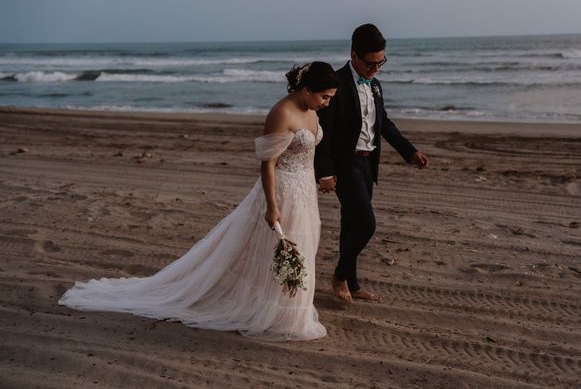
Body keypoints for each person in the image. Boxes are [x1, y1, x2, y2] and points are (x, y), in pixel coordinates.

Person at [59, 61, 338, 341]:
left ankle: (292, 310)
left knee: (302, 247)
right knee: (273, 250)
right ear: (306, 89)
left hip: (305, 192)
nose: (327, 103)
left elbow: (308, 155)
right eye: (324, 97)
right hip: (282, 191)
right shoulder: (281, 112)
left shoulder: (313, 111)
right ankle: (272, 311)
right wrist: (271, 206)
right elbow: (268, 164)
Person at [315, 24, 429, 302]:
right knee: (366, 224)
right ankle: (339, 276)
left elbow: (383, 123)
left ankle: (352, 285)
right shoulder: (337, 83)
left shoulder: (375, 85)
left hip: (368, 164)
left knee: (351, 224)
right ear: (354, 55)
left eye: (381, 62)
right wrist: (325, 172)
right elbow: (323, 133)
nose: (376, 69)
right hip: (346, 164)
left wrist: (409, 152)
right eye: (371, 63)